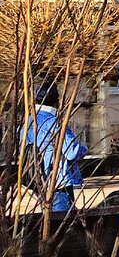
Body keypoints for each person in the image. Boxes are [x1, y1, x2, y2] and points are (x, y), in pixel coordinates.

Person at [25, 84, 87, 214]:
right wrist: (84, 149)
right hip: (58, 180)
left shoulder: (27, 123)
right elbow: (72, 152)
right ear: (57, 101)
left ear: (35, 100)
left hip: (36, 178)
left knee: (47, 216)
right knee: (61, 219)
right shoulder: (55, 123)